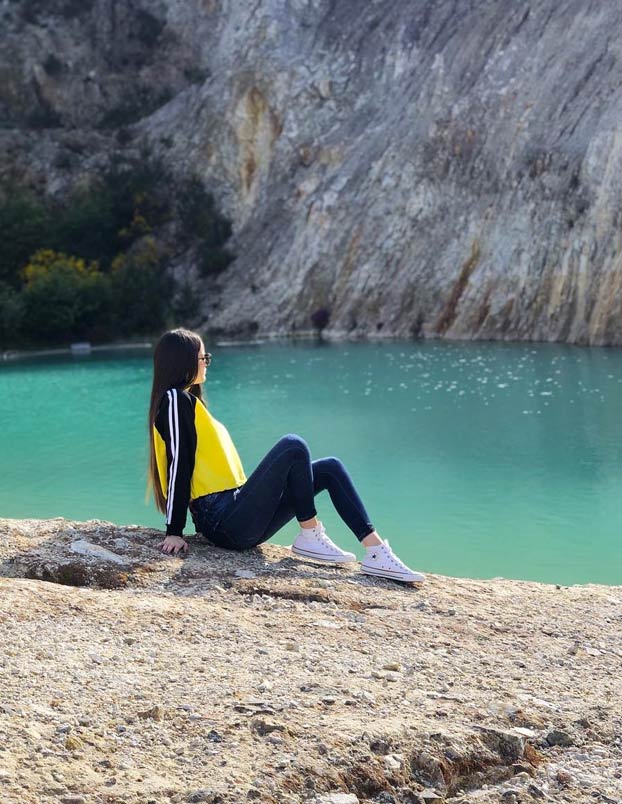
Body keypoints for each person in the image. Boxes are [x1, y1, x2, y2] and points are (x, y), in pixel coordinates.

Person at [147, 328, 425, 584]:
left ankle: (375, 550)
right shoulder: (173, 400)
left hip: (236, 516)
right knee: (293, 447)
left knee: (329, 469)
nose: (207, 362)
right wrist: (174, 529)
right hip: (222, 519)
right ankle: (310, 532)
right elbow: (179, 463)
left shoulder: (190, 403)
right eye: (202, 357)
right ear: (183, 362)